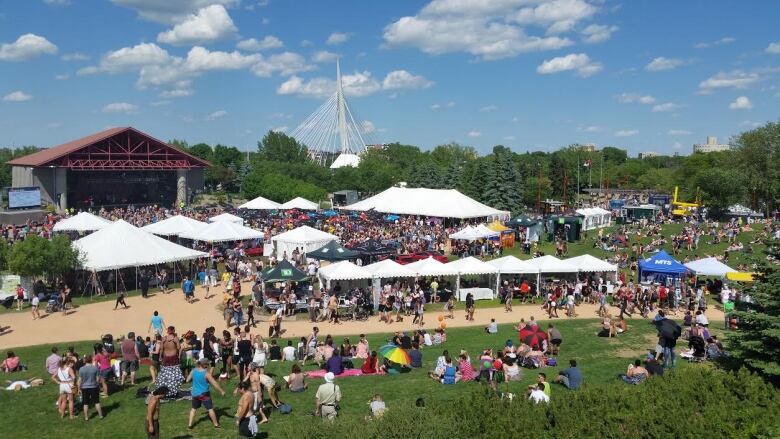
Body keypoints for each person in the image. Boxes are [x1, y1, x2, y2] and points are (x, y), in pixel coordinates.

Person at [186, 357, 226, 430]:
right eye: (207, 364)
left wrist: (194, 379)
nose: (208, 365)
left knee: (193, 409)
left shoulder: (193, 371)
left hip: (195, 394)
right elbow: (214, 383)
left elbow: (187, 380)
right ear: (204, 365)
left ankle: (190, 425)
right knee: (210, 409)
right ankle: (216, 424)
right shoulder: (206, 373)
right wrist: (221, 391)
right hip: (204, 394)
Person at [79, 354, 103, 421]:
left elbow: (80, 380)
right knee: (97, 402)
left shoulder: (81, 369)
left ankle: (86, 417)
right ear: (91, 360)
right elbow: (98, 379)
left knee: (85, 403)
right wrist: (97, 385)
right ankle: (100, 415)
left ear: (85, 360)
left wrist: (79, 388)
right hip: (94, 386)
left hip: (84, 388)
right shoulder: (95, 368)